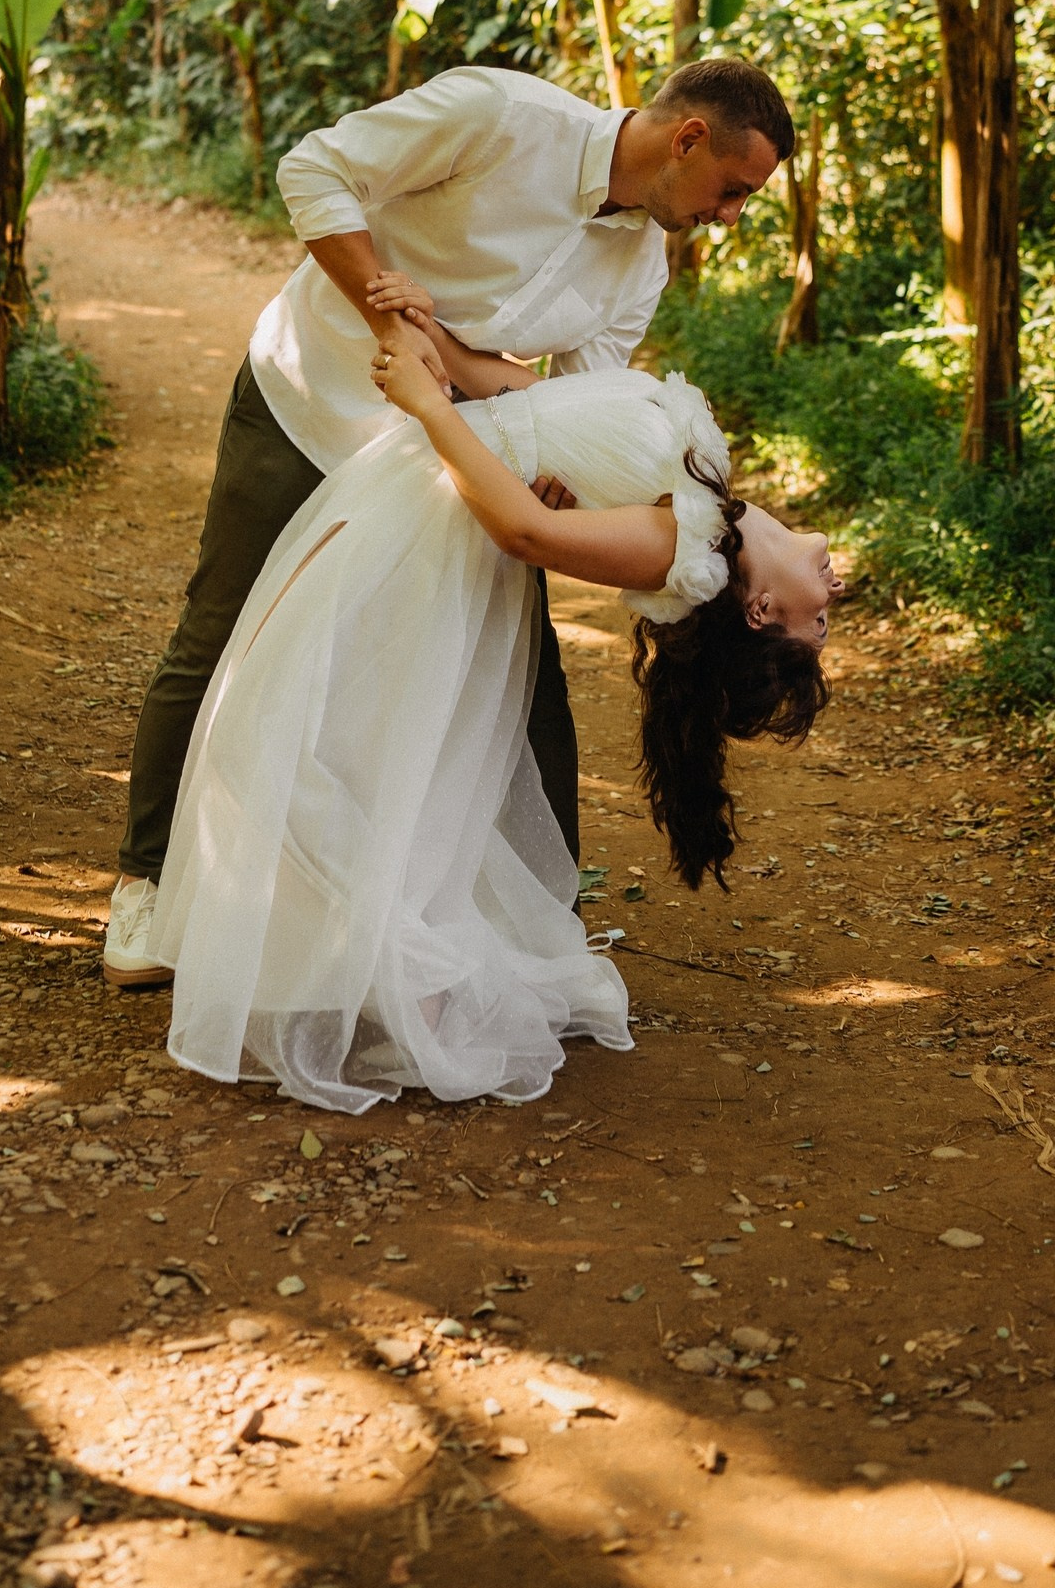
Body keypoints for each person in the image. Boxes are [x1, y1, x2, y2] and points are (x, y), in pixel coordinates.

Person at [105, 56, 795, 987]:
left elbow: (578, 402)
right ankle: (146, 885)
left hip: (450, 459)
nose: (730, 214)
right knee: (224, 625)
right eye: (733, 189)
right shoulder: (498, 115)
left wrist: (558, 473)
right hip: (312, 398)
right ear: (687, 138)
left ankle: (544, 925)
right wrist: (388, 320)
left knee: (521, 669)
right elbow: (315, 168)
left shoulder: (639, 266)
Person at [151, 334, 836, 1112]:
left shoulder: (682, 546)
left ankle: (414, 979)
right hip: (415, 480)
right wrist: (433, 342)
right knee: (312, 718)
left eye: (817, 626)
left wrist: (428, 402)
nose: (833, 595)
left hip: (429, 517)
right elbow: (533, 401)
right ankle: (386, 968)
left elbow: (525, 531)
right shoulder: (709, 501)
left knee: (302, 728)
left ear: (761, 612)